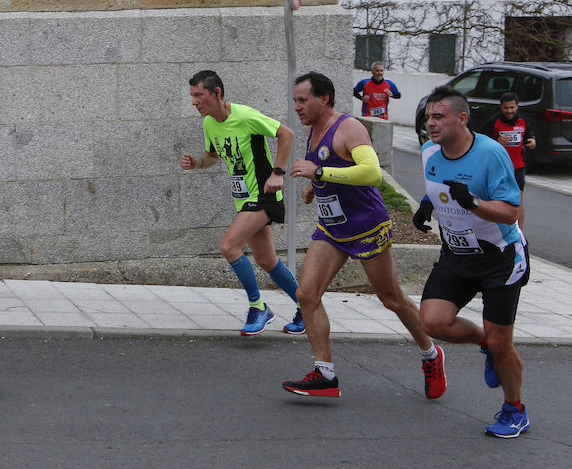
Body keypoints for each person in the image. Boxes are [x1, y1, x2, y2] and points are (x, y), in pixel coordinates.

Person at [283, 71, 445, 398]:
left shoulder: (349, 127)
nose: (297, 107)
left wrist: (319, 172)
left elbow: (372, 174)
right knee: (307, 294)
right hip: (332, 228)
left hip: (366, 226)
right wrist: (317, 187)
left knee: (391, 298)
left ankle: (431, 353)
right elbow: (335, 169)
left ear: (323, 98)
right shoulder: (313, 129)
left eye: (302, 100)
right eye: (295, 100)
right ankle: (324, 373)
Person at [413, 85, 530, 438]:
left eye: (438, 117)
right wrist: (428, 204)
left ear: (461, 118)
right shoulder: (429, 151)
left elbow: (510, 212)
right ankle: (486, 345)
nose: (430, 124)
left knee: (502, 341)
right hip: (456, 255)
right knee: (432, 322)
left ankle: (515, 410)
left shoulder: (491, 153)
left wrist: (474, 203)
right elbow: (441, 184)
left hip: (500, 258)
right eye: (428, 117)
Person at [180, 70, 304, 336]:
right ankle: (307, 306)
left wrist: (278, 173)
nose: (194, 102)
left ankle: (258, 307)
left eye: (198, 95)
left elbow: (287, 134)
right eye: (192, 96)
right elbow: (212, 157)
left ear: (217, 93)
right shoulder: (209, 124)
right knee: (267, 259)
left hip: (264, 194)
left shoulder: (246, 116)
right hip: (243, 198)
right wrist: (197, 163)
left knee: (229, 246)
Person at [482, 92, 535, 229]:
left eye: (512, 107)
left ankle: (520, 235)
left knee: (518, 202)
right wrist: (496, 141)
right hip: (498, 167)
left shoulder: (523, 121)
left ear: (517, 107)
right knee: (498, 200)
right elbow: (481, 142)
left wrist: (532, 141)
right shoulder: (493, 121)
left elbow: (530, 136)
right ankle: (497, 230)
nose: (509, 111)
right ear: (501, 107)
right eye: (506, 108)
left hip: (518, 167)